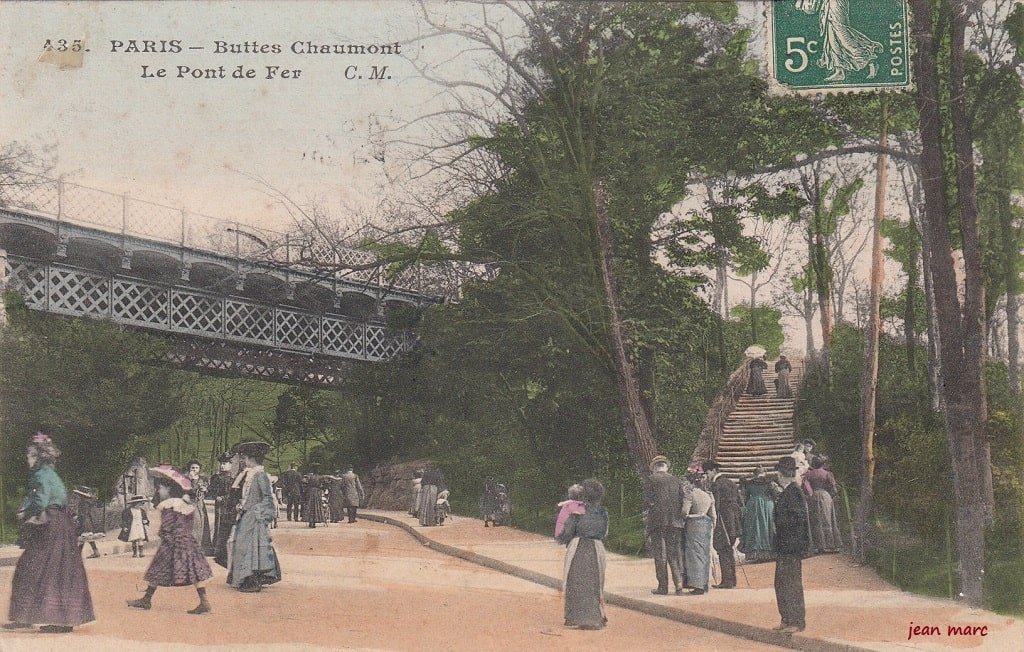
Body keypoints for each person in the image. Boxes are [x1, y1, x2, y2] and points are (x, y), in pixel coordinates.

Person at [4, 431, 95, 633]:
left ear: (37, 455)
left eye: (29, 454)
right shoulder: (50, 473)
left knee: (31, 568)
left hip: (50, 525)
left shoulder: (40, 474)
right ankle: (47, 618)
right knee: (57, 569)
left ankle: (30, 617)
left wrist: (25, 514)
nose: (27, 459)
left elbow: (40, 501)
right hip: (60, 525)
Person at [128, 465, 213, 615]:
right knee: (193, 572)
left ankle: (147, 599)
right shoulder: (186, 504)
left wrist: (163, 535)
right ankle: (204, 600)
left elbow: (168, 526)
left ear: (168, 489)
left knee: (157, 569)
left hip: (172, 543)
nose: (159, 491)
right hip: (188, 541)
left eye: (160, 488)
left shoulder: (169, 505)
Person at [227, 441, 282, 592]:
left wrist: (259, 512)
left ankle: (251, 579)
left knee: (251, 547)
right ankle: (246, 578)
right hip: (247, 514)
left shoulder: (260, 475)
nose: (243, 461)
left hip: (255, 516)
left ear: (251, 459)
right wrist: (242, 505)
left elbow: (267, 498)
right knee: (243, 546)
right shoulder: (250, 474)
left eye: (244, 458)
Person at [556, 478, 608, 630]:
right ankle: (597, 617)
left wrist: (563, 539)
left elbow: (567, 532)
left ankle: (575, 617)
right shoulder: (603, 512)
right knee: (597, 582)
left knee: (574, 581)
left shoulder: (577, 510)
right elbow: (605, 532)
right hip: (597, 548)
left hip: (578, 546)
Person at [773, 456, 812, 634]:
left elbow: (798, 520)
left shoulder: (794, 492)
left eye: (779, 474)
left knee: (791, 584)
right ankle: (786, 618)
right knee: (781, 583)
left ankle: (796, 621)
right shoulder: (788, 491)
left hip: (791, 546)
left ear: (783, 474)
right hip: (784, 546)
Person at [797, 0, 882, 82]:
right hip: (830, 3)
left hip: (837, 3)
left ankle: (870, 60)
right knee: (832, 36)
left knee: (843, 37)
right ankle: (839, 71)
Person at [643, 456, 687, 596]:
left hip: (657, 522)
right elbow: (682, 500)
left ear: (655, 468)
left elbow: (647, 501)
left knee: (660, 555)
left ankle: (663, 587)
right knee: (674, 554)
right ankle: (679, 585)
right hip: (675, 522)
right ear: (666, 467)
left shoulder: (651, 480)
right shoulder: (676, 480)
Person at [705, 460, 742, 589]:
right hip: (733, 521)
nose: (707, 475)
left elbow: (716, 506)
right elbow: (739, 502)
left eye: (708, 472)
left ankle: (726, 581)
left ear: (714, 471)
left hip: (722, 521)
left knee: (722, 550)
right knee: (729, 550)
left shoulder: (716, 485)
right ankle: (732, 580)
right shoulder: (731, 483)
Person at [681, 471, 716, 595]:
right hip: (706, 525)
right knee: (704, 554)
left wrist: (684, 517)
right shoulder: (708, 495)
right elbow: (713, 515)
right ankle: (704, 583)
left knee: (694, 555)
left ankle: (697, 585)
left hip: (693, 524)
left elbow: (685, 512)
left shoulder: (690, 494)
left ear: (691, 483)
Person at [739, 466, 779, 563]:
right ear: (765, 472)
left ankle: (755, 553)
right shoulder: (769, 482)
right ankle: (767, 553)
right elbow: (775, 493)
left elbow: (745, 496)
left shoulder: (749, 483)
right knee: (767, 526)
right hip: (766, 504)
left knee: (754, 527)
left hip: (752, 505)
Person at [805, 455, 843, 553]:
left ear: (813, 464)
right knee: (828, 519)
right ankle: (830, 545)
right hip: (826, 497)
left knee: (816, 520)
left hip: (814, 496)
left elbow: (806, 487)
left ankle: (818, 546)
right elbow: (833, 487)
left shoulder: (809, 474)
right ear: (823, 464)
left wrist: (810, 495)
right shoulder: (827, 474)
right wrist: (832, 495)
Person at [207, 452, 237, 565]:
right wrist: (216, 496)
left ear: (230, 465)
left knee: (227, 524)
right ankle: (217, 547)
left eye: (225, 464)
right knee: (218, 523)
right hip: (219, 504)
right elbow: (211, 491)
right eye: (221, 464)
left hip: (229, 505)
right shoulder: (215, 478)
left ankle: (225, 548)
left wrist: (224, 498)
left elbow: (234, 493)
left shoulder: (233, 479)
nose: (222, 466)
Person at [185, 460, 213, 555]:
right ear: (189, 468)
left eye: (196, 468)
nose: (194, 470)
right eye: (192, 468)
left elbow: (208, 491)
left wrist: (205, 489)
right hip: (190, 504)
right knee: (193, 524)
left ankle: (201, 547)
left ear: (199, 469)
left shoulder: (203, 479)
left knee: (202, 524)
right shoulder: (186, 479)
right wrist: (192, 481)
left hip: (200, 504)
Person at [70, 486, 102, 559]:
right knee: (85, 537)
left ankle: (77, 554)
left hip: (84, 521)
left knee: (82, 536)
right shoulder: (89, 501)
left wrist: (77, 518)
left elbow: (83, 513)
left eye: (78, 495)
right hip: (88, 521)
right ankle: (95, 552)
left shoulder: (83, 502)